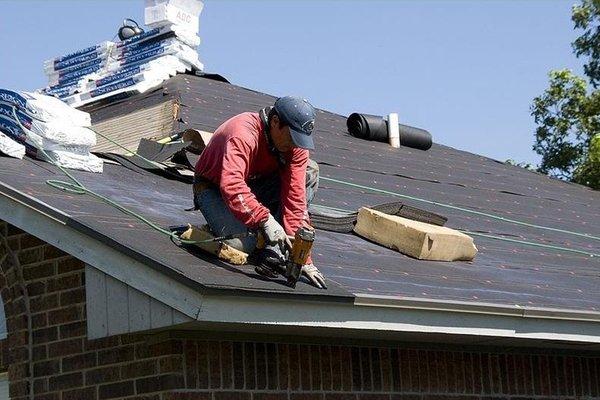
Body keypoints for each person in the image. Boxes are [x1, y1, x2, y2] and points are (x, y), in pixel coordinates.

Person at [193, 96, 326, 289]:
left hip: (255, 185)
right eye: (291, 138)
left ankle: (272, 245)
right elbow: (232, 185)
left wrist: (303, 257)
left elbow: (296, 200)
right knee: (244, 245)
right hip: (215, 189)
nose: (294, 145)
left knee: (310, 170)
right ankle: (234, 231)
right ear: (275, 122)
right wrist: (265, 220)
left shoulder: (295, 145)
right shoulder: (242, 133)